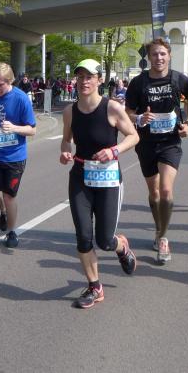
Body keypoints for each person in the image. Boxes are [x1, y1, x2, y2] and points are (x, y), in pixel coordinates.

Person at [60, 59, 139, 309]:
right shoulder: (70, 111)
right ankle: (95, 287)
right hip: (80, 177)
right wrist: (65, 151)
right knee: (84, 237)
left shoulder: (112, 108)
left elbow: (133, 136)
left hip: (108, 179)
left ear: (99, 80)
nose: (84, 81)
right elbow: (66, 140)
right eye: (80, 77)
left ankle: (121, 246)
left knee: (104, 241)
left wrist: (114, 151)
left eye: (89, 77)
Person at [125, 38, 188, 264]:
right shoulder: (138, 82)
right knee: (154, 193)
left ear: (169, 55)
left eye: (163, 54)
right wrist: (139, 118)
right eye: (155, 54)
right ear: (149, 57)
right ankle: (158, 229)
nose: (159, 58)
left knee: (166, 190)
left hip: (170, 142)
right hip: (146, 143)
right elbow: (127, 112)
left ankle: (163, 237)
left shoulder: (179, 79)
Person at [0, 62, 36, 248]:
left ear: (10, 81)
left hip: (15, 157)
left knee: (9, 196)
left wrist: (15, 128)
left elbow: (32, 130)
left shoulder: (21, 99)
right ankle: (2, 209)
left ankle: (12, 232)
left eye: (0, 85)